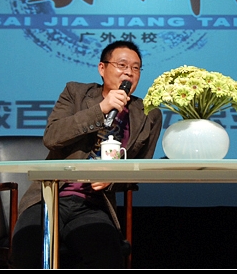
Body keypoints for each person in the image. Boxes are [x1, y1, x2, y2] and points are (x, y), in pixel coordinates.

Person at [9, 40, 163, 268]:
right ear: (102, 68)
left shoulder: (148, 114)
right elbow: (52, 137)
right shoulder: (76, 93)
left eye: (136, 68)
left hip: (93, 205)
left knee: (106, 255)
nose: (129, 73)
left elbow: (139, 169)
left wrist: (113, 178)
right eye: (122, 65)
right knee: (28, 247)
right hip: (51, 197)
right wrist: (101, 109)